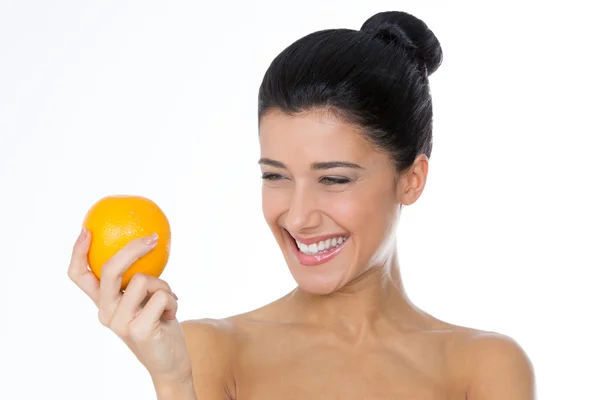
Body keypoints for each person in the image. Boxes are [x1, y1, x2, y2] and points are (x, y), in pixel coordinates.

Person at [68, 10, 536, 400]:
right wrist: (173, 381)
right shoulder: (209, 352)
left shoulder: (486, 369)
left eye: (333, 179)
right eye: (275, 176)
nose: (297, 216)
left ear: (411, 180)